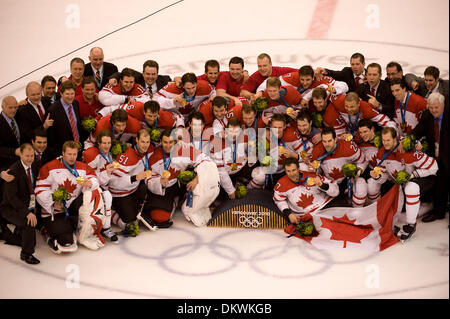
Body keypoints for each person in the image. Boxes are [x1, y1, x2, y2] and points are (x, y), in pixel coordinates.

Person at [367, 127, 437, 242]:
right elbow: (384, 177)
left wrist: (413, 175)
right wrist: (378, 176)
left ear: (395, 139)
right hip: (400, 183)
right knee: (399, 214)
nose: (385, 143)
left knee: (411, 188)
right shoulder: (381, 152)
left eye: (388, 140)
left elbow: (434, 166)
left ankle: (411, 225)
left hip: (424, 179)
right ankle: (428, 206)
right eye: (383, 140)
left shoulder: (408, 150)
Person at [35, 141, 100, 253]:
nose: (72, 157)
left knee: (95, 192)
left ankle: (71, 226)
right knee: (66, 242)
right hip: (55, 212)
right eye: (69, 154)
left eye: (74, 154)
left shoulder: (82, 167)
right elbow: (40, 190)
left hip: (73, 209)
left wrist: (90, 183)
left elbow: (94, 179)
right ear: (63, 153)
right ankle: (46, 230)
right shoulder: (49, 167)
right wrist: (53, 203)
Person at [145, 130, 213, 227]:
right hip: (165, 189)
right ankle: (176, 200)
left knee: (202, 175)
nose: (168, 145)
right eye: (165, 142)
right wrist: (158, 182)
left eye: (171, 142)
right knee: (160, 218)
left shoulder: (184, 149)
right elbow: (148, 178)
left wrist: (197, 179)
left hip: (181, 184)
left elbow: (206, 160)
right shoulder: (154, 156)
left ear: (175, 142)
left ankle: (195, 203)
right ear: (161, 142)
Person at [108, 129, 155, 236]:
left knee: (148, 188)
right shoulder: (127, 156)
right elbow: (113, 182)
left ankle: (134, 209)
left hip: (133, 189)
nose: (145, 145)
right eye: (143, 142)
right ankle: (109, 212)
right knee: (129, 221)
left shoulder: (145, 151)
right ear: (137, 140)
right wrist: (135, 178)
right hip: (119, 194)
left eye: (147, 142)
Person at [410, 92, 449, 223]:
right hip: (436, 157)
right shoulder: (427, 115)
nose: (433, 110)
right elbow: (417, 131)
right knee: (439, 185)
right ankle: (439, 213)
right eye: (431, 107)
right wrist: (407, 140)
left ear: (443, 105)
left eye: (436, 107)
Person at [0, 144, 40, 264]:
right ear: (21, 155)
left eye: (32, 155)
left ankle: (12, 235)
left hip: (27, 203)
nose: (29, 158)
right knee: (29, 224)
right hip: (10, 207)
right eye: (27, 156)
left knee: (32, 239)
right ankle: (26, 254)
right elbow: (12, 198)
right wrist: (27, 213)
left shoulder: (34, 165)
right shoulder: (13, 171)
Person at [310, 127, 368, 207]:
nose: (327, 144)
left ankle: (358, 212)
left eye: (329, 141)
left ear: (335, 139)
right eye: (324, 141)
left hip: (348, 180)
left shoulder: (348, 147)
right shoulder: (317, 151)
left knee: (361, 185)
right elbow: (317, 172)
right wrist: (314, 170)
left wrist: (356, 173)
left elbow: (363, 161)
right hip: (331, 184)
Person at [274, 157, 339, 224]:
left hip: (325, 207)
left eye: (293, 170)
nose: (292, 174)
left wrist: (322, 185)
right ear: (285, 171)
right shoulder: (281, 184)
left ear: (298, 169)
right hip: (303, 216)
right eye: (288, 171)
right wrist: (288, 214)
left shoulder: (313, 176)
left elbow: (336, 192)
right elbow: (279, 200)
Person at [82, 130, 119, 242]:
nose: (106, 146)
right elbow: (90, 176)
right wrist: (106, 173)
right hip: (92, 187)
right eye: (104, 143)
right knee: (107, 196)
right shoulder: (94, 156)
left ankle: (107, 223)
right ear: (98, 143)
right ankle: (106, 228)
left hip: (106, 185)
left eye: (108, 143)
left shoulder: (111, 154)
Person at [248, 114, 302, 190]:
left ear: (284, 127)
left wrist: (291, 155)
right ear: (270, 127)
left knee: (303, 168)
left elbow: (304, 157)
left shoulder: (291, 135)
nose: (277, 130)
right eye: (274, 127)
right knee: (260, 176)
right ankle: (249, 188)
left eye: (280, 127)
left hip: (286, 170)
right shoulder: (264, 134)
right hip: (270, 169)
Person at [258, 65, 348, 108]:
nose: (305, 83)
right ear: (298, 76)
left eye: (308, 80)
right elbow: (271, 81)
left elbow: (344, 85)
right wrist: (260, 91)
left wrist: (335, 89)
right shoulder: (293, 77)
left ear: (313, 77)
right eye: (302, 80)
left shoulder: (321, 79)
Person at [210, 118, 252, 199]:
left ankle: (241, 181)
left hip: (239, 170)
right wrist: (230, 190)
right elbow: (220, 170)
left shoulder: (245, 136)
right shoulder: (218, 144)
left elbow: (249, 152)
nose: (233, 135)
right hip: (223, 174)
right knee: (223, 197)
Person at [323, 92, 396, 138]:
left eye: (352, 107)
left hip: (361, 135)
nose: (349, 109)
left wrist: (394, 136)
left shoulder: (366, 108)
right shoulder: (339, 101)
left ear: (358, 104)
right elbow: (327, 92)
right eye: (346, 106)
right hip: (343, 130)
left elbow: (387, 122)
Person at [46, 80, 87, 157]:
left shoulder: (75, 104)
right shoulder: (53, 110)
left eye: (72, 94)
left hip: (78, 149)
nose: (70, 96)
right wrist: (58, 154)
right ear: (61, 94)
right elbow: (51, 136)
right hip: (63, 153)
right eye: (67, 94)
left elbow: (77, 126)